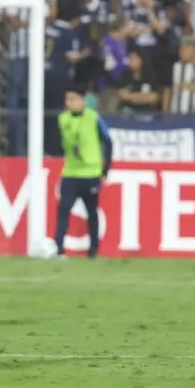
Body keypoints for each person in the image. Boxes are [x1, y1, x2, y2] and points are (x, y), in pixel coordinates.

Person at [53, 83, 112, 259]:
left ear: (82, 101)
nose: (68, 103)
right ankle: (59, 249)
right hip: (70, 172)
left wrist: (105, 171)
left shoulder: (94, 118)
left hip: (91, 173)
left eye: (72, 99)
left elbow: (108, 142)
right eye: (67, 99)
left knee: (92, 212)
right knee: (64, 209)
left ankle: (93, 250)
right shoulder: (62, 118)